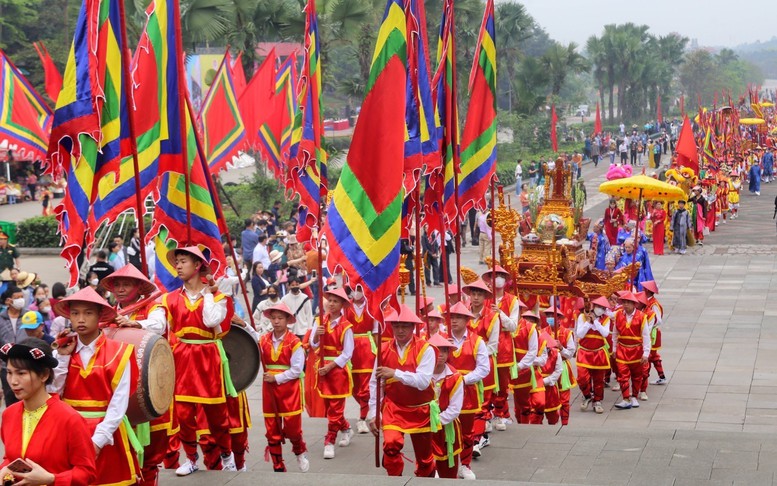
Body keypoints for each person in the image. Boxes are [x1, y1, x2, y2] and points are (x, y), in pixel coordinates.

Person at [50, 287, 141, 486]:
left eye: (88, 313)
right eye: (75, 313)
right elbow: (54, 392)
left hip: (106, 430)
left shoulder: (119, 351)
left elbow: (119, 402)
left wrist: (98, 440)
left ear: (99, 316)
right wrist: (63, 358)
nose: (80, 319)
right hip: (70, 431)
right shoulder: (64, 352)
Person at [159, 246, 236, 476]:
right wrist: (135, 324)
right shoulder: (170, 298)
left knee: (217, 418)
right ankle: (191, 458)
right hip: (182, 356)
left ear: (198, 265)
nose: (178, 266)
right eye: (177, 262)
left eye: (183, 261)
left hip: (207, 357)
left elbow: (211, 319)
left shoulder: (218, 297)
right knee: (183, 414)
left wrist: (210, 293)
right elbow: (156, 324)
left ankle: (226, 454)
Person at [100, 264, 174, 486]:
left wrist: (135, 323)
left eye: (126, 284)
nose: (121, 289)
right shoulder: (106, 312)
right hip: (118, 390)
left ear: (139, 287)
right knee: (122, 452)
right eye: (117, 285)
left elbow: (159, 325)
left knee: (151, 457)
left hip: (149, 388)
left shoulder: (152, 307)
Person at [0, 338, 96, 485]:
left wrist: (52, 479)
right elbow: (10, 457)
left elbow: (87, 474)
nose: (13, 381)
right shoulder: (9, 414)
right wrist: (4, 469)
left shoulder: (70, 419)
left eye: (21, 373)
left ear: (44, 375)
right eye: (10, 373)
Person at [367, 304, 436, 477]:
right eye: (396, 326)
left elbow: (423, 381)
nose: (400, 330)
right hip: (394, 407)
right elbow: (375, 382)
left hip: (421, 408)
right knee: (390, 445)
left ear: (413, 327)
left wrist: (395, 373)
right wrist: (373, 413)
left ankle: (425, 477)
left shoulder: (426, 349)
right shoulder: (383, 349)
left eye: (405, 326)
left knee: (425, 458)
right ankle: (394, 479)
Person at [259, 302, 309, 473]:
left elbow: (296, 370)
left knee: (293, 428)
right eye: (273, 318)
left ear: (288, 320)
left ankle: (299, 451)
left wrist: (276, 377)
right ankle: (278, 465)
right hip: (269, 389)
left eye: (280, 318)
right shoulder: (263, 339)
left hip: (289, 390)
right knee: (271, 428)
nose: (276, 321)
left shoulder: (295, 342)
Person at [444, 302, 489, 480]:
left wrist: (462, 379)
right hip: (445, 391)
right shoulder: (442, 338)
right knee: (445, 429)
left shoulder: (477, 341)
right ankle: (444, 463)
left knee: (467, 431)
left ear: (466, 320)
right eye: (451, 317)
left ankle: (465, 464)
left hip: (467, 391)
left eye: (458, 318)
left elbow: (484, 368)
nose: (453, 321)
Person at [309, 287, 355, 460]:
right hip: (321, 369)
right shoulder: (319, 321)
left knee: (335, 408)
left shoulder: (346, 327)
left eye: (336, 301)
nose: (332, 304)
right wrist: (316, 337)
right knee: (330, 409)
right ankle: (346, 428)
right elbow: (313, 345)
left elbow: (347, 352)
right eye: (330, 300)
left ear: (343, 304)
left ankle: (329, 441)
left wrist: (331, 366)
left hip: (337, 371)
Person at [480, 266, 520, 431]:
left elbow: (512, 326)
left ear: (506, 280)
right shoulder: (484, 298)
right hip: (486, 345)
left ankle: (499, 414)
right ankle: (486, 415)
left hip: (504, 347)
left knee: (502, 385)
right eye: (494, 276)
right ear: (489, 279)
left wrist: (500, 313)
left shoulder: (512, 300)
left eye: (501, 276)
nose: (497, 279)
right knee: (487, 382)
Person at [428, 334, 463, 478]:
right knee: (425, 468)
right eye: (436, 350)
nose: (440, 354)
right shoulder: (420, 374)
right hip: (424, 428)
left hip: (447, 427)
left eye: (443, 350)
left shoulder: (455, 377)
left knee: (449, 471)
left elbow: (454, 409)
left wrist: (435, 421)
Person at [345, 286, 378, 435]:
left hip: (366, 347)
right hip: (349, 347)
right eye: (354, 289)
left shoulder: (372, 306)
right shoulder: (345, 306)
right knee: (353, 386)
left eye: (360, 289)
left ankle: (362, 418)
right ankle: (368, 408)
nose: (357, 292)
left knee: (365, 387)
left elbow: (377, 332)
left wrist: (380, 353)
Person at [612, 292, 650, 410]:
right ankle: (625, 398)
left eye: (629, 302)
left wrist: (646, 353)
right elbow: (615, 333)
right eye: (624, 302)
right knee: (622, 375)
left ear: (634, 304)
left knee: (637, 376)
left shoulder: (642, 316)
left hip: (637, 350)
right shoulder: (618, 315)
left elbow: (646, 336)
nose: (626, 305)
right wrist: (614, 348)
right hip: (622, 349)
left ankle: (634, 396)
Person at [576, 297, 612, 414]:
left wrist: (595, 322)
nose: (601, 310)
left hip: (598, 352)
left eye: (603, 308)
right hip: (584, 352)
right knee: (582, 378)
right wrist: (588, 323)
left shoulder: (606, 319)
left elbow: (605, 333)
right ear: (594, 306)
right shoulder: (582, 317)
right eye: (599, 307)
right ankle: (587, 395)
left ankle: (597, 401)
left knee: (598, 379)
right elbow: (579, 334)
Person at [510, 310, 545, 424]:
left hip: (535, 373)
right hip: (519, 373)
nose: (529, 322)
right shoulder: (513, 330)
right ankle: (523, 424)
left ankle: (535, 424)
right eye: (527, 319)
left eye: (532, 320)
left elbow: (543, 359)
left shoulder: (542, 337)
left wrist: (530, 361)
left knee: (539, 402)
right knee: (521, 405)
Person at [0, 285, 28, 406]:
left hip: (26, 364)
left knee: (26, 399)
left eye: (22, 297)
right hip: (7, 367)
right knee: (11, 399)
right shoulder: (1, 319)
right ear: (8, 301)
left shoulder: (28, 316)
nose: (20, 300)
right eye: (17, 297)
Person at [641, 281, 667, 386]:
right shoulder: (647, 302)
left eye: (644, 289)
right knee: (652, 355)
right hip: (650, 331)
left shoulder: (654, 304)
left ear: (647, 291)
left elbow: (658, 320)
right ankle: (660, 376)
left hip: (652, 333)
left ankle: (648, 377)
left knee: (651, 355)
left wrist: (649, 325)